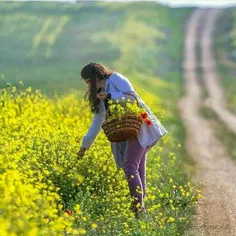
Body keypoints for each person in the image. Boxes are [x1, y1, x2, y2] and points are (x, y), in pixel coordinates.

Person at [77, 62, 167, 218]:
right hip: (126, 130)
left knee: (130, 167)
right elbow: (98, 121)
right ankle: (140, 211)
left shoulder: (116, 79)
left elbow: (132, 97)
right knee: (138, 169)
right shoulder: (101, 92)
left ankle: (138, 209)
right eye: (86, 82)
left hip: (140, 125)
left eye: (89, 81)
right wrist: (85, 146)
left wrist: (111, 96)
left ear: (95, 76)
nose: (88, 84)